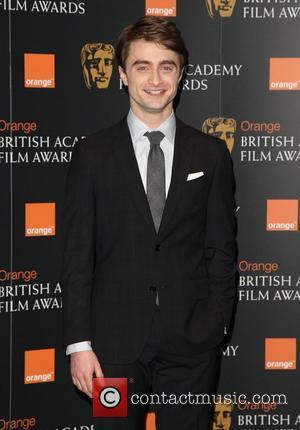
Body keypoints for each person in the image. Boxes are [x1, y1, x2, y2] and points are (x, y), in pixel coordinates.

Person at [61, 16, 237, 430]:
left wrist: (218, 324)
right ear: (122, 74)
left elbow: (222, 248)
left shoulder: (211, 154)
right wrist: (79, 344)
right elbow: (76, 254)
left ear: (181, 73)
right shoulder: (92, 154)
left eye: (166, 66)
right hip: (111, 345)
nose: (154, 79)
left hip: (192, 344)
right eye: (142, 66)